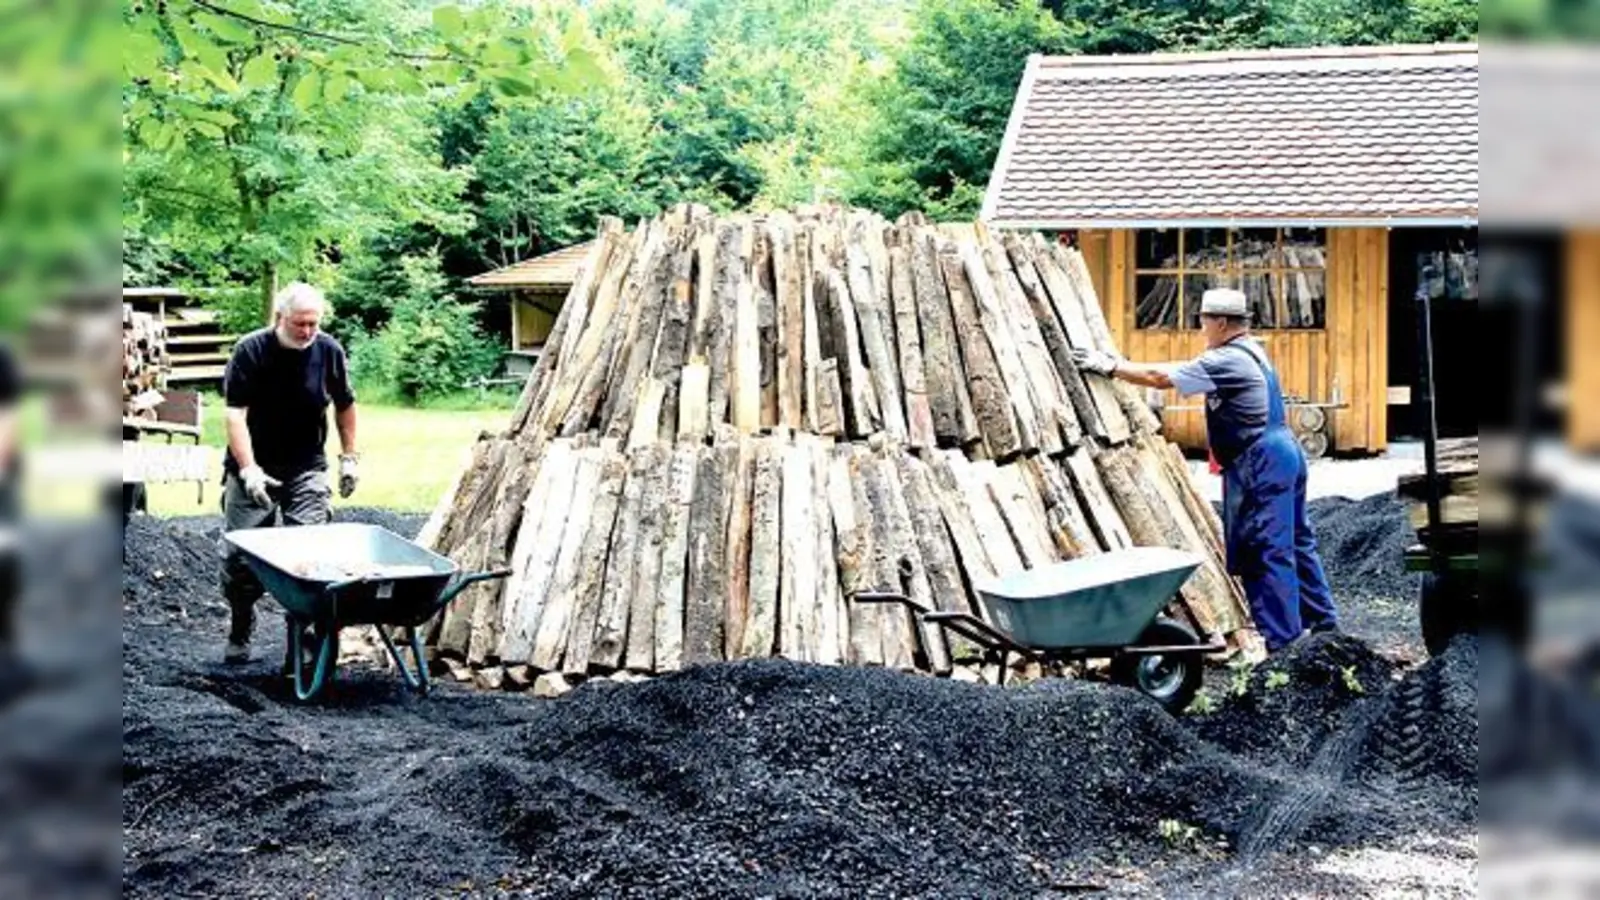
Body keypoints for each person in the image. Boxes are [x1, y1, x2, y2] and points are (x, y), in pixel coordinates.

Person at [1072, 287, 1338, 652]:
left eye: (1204, 322)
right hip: (1282, 452)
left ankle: (1284, 645)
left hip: (1261, 460)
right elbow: (1177, 369)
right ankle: (1325, 623)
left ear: (1222, 322)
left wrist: (1111, 366)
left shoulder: (1228, 360)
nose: (1201, 329)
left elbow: (1160, 377)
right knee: (1296, 540)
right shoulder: (1249, 352)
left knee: (1266, 549)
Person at [220, 282, 360, 664]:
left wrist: (350, 457)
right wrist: (249, 470)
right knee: (240, 558)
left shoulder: (328, 351)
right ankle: (241, 622)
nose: (308, 332)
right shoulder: (251, 350)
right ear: (280, 318)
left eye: (314, 324)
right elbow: (235, 415)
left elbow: (345, 405)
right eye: (300, 324)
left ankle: (300, 642)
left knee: (308, 554)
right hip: (254, 464)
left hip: (306, 466)